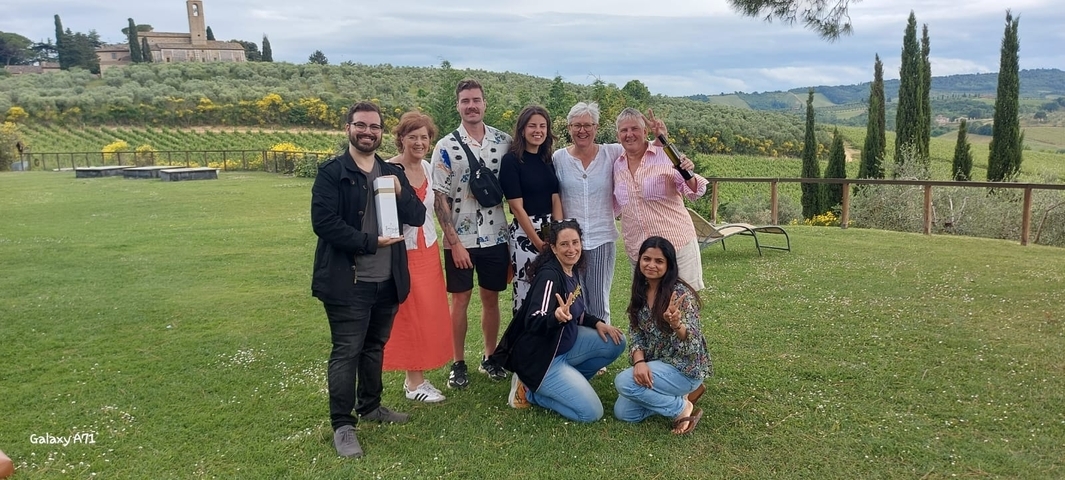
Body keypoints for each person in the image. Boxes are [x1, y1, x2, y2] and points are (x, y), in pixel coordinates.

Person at [311, 102, 427, 458]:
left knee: (375, 346)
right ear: (348, 128)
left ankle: (371, 406)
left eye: (374, 127)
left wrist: (401, 189)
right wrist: (368, 242)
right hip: (349, 281)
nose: (367, 132)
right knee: (347, 351)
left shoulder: (389, 171)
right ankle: (343, 425)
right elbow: (324, 223)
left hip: (386, 280)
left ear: (381, 131)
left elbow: (418, 216)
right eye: (360, 125)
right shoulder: (333, 171)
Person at [490, 219, 626, 423]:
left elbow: (577, 312)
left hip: (564, 347)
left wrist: (598, 323)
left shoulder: (572, 269)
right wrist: (555, 317)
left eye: (575, 242)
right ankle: (530, 391)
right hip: (543, 359)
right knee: (591, 413)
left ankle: (570, 382)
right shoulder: (549, 277)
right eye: (564, 244)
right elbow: (533, 321)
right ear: (553, 248)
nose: (571, 249)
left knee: (616, 342)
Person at [431, 78, 512, 388]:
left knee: (491, 300)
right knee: (460, 301)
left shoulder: (503, 141)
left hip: (495, 236)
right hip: (460, 239)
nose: (471, 106)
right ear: (458, 105)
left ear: (485, 103)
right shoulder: (446, 146)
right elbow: (440, 198)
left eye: (476, 100)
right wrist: (454, 243)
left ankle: (489, 357)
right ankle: (458, 362)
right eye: (465, 101)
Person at [383, 111, 452, 403]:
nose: (419, 142)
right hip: (402, 250)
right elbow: (385, 216)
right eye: (413, 136)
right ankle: (413, 382)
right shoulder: (387, 170)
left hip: (428, 249)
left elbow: (435, 206)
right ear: (401, 139)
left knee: (427, 312)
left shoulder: (427, 167)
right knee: (408, 313)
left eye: (424, 137)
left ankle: (419, 375)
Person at [613, 236, 712, 435]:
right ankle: (682, 396)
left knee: (624, 381)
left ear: (669, 265)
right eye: (646, 259)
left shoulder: (680, 294)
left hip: (684, 368)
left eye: (659, 261)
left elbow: (693, 345)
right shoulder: (641, 289)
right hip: (656, 365)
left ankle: (681, 408)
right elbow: (636, 332)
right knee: (624, 412)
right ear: (639, 260)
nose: (651, 265)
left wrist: (677, 326)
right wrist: (639, 362)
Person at [612, 108, 709, 291]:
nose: (629, 134)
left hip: (677, 247)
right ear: (618, 136)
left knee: (683, 306)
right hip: (640, 253)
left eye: (634, 129)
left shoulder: (665, 155)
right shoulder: (617, 165)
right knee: (646, 310)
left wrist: (687, 170)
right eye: (624, 130)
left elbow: (695, 190)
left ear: (645, 132)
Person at [552, 102, 623, 325]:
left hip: (601, 238)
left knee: (599, 301)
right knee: (572, 299)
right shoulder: (559, 158)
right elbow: (554, 197)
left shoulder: (612, 153)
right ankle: (576, 347)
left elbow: (643, 147)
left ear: (596, 127)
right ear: (569, 127)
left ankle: (600, 355)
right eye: (577, 125)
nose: (582, 130)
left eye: (588, 125)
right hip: (571, 243)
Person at [499, 105, 562, 316]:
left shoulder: (547, 159)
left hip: (550, 232)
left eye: (543, 126)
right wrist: (537, 242)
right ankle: (524, 342)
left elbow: (555, 198)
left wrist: (558, 233)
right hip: (525, 234)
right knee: (527, 291)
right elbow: (516, 207)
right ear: (522, 129)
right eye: (532, 125)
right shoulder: (511, 161)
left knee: (552, 290)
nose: (538, 130)